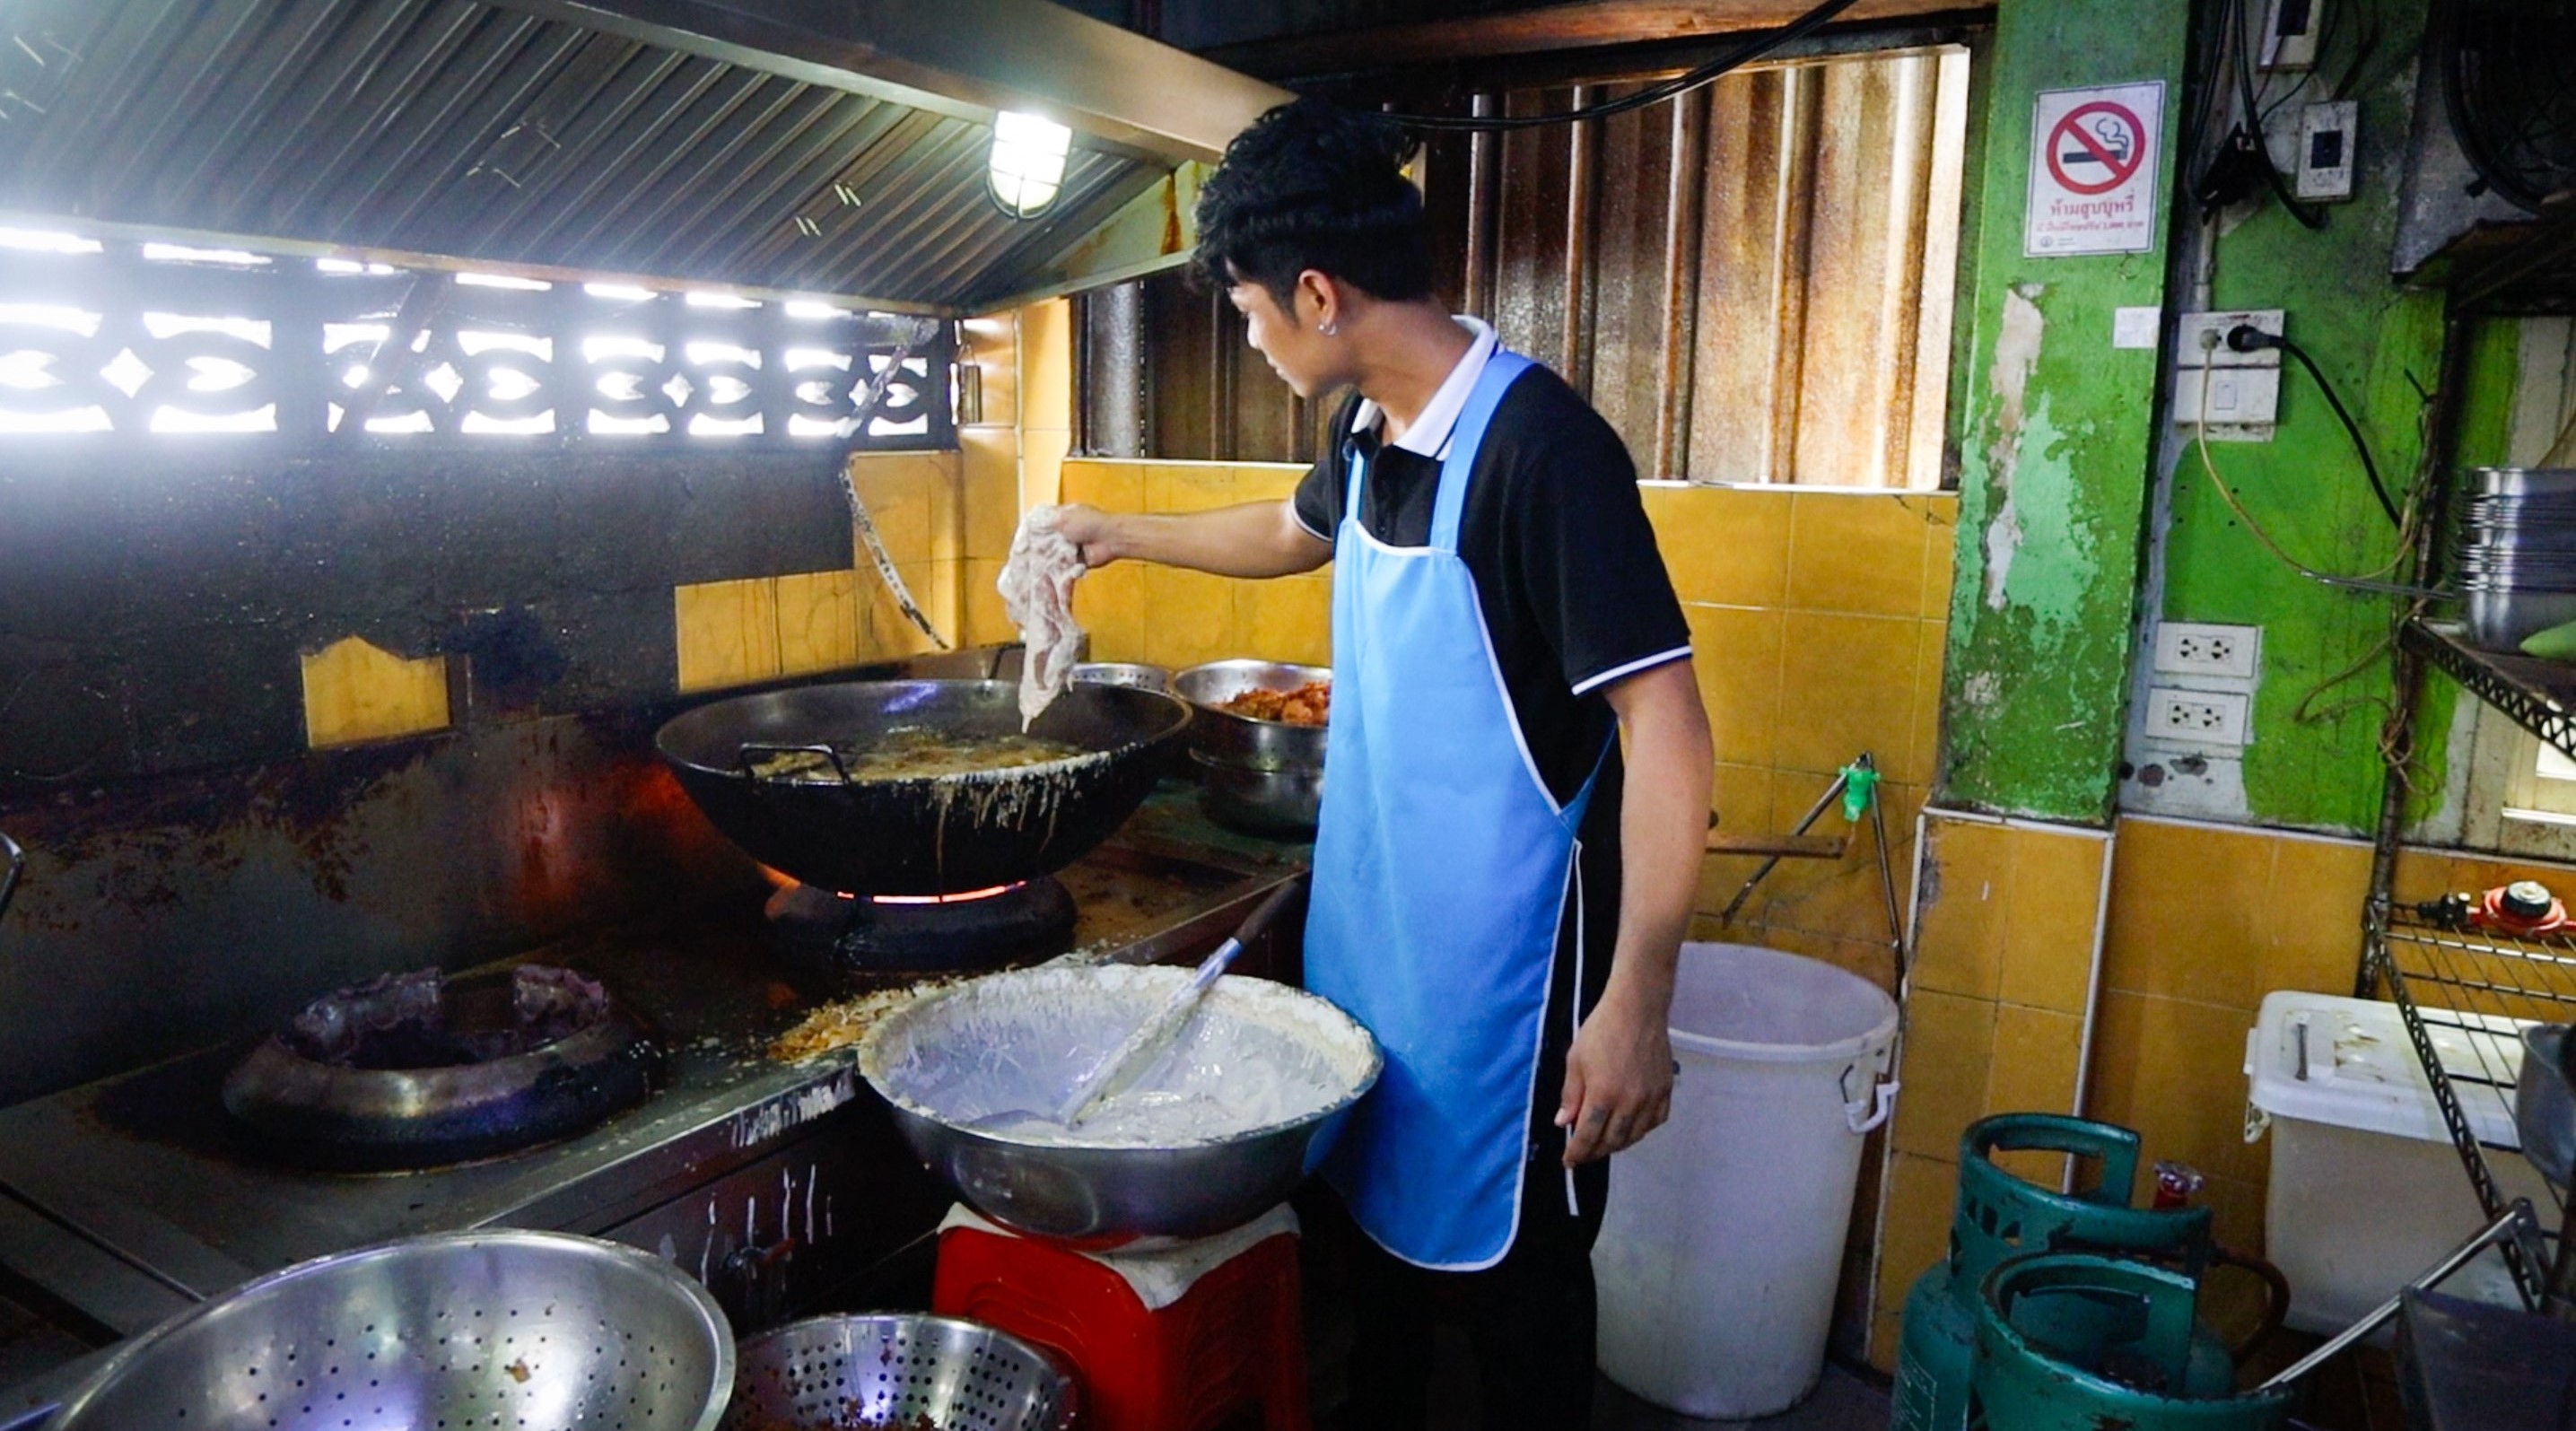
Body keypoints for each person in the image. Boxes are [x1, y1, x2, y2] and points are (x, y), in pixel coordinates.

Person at [1052, 98, 1713, 1430]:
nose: (1247, 338)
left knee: (1521, 1307)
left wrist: (1638, 997)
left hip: (1513, 994)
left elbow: (1669, 724)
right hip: (1378, 953)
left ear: (1317, 292)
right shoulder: (1368, 430)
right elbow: (1295, 533)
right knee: (1380, 1289)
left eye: (1247, 310)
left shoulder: (1545, 452)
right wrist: (1111, 531)